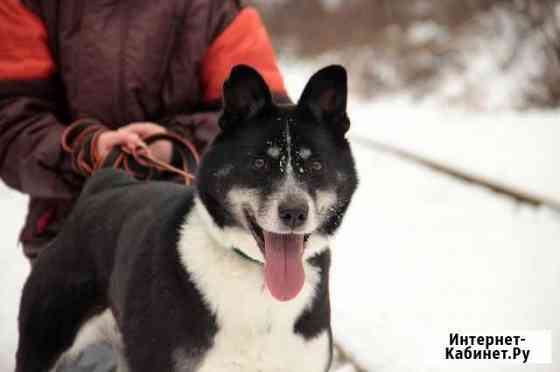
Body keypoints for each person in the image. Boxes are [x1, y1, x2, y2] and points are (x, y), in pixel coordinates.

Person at [0, 1, 288, 370]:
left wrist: (175, 145)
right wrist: (86, 149)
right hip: (76, 248)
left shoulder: (218, 9)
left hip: (198, 250)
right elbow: (10, 121)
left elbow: (270, 129)